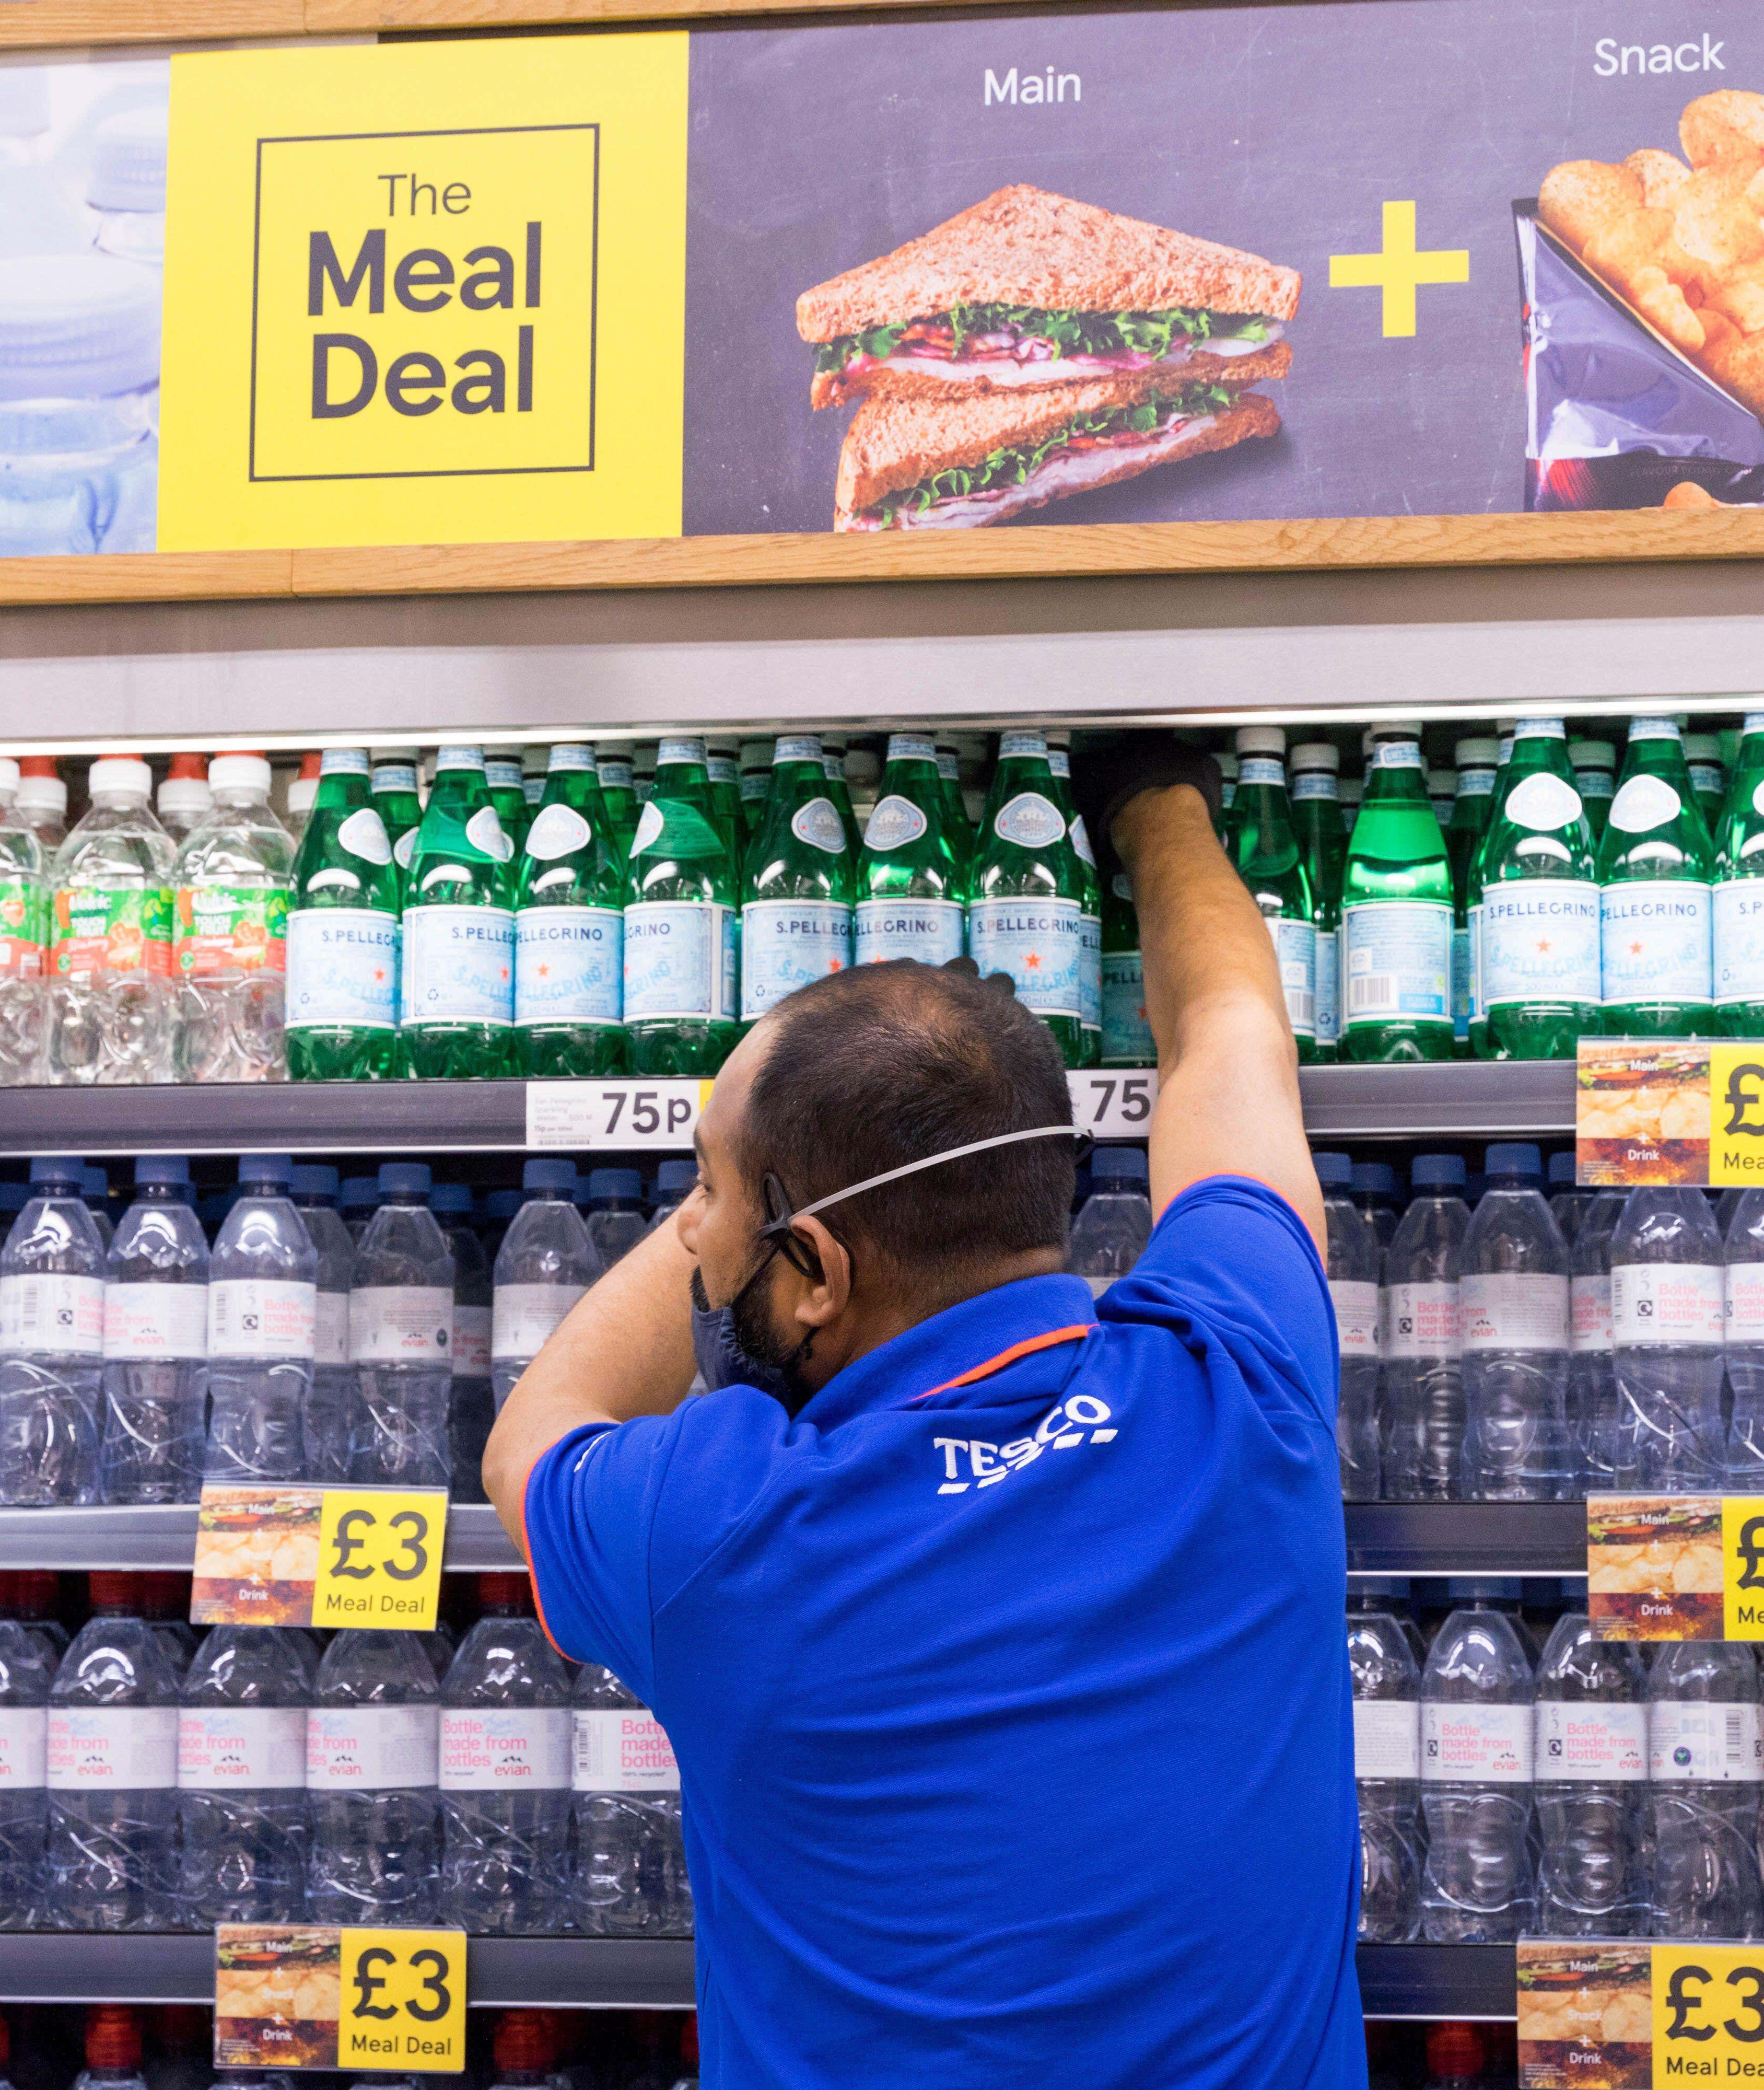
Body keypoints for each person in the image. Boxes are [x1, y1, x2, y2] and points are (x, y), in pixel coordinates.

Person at [486, 733, 1356, 2090]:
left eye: (704, 1191)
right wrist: (1154, 801)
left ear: (819, 1271)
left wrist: (769, 1173)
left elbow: (542, 1422)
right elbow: (1229, 1034)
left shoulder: (715, 1522)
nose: (697, 1229)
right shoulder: (1238, 1384)